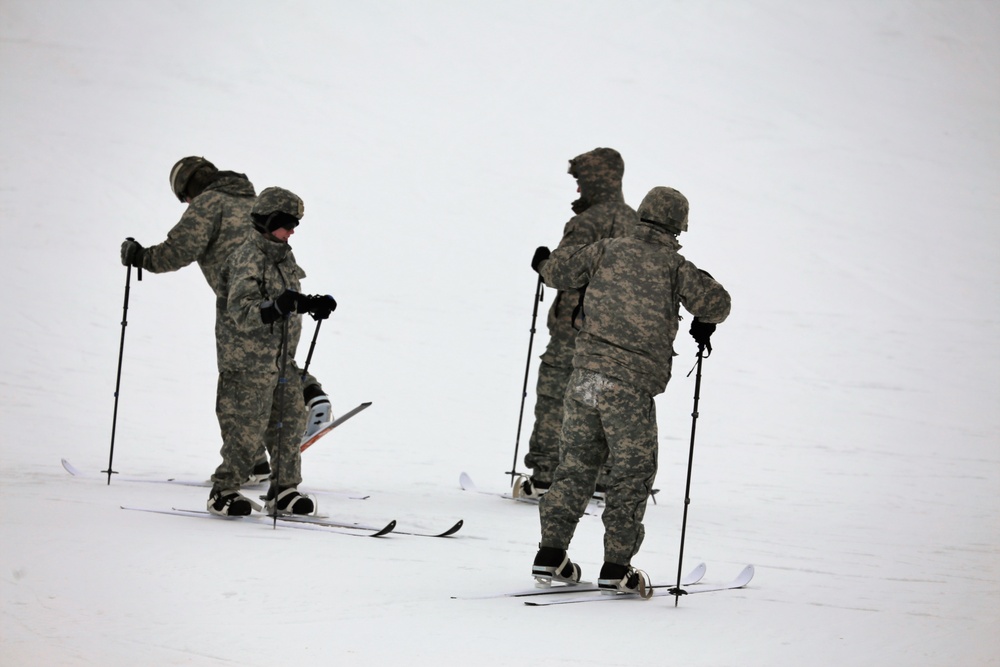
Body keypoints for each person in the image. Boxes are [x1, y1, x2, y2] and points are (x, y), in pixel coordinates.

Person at [528, 186, 731, 595]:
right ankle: (617, 566)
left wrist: (545, 262)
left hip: (584, 379)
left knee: (574, 467)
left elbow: (558, 274)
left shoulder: (605, 249)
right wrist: (703, 321)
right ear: (679, 224)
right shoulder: (676, 267)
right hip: (630, 388)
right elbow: (718, 303)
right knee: (630, 475)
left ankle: (551, 555)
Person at [119, 157, 334, 483]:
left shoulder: (209, 203)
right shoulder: (253, 201)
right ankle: (295, 414)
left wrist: (139, 256)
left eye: (184, 197)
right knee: (276, 366)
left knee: (239, 386)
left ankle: (245, 466)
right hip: (286, 297)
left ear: (189, 188)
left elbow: (176, 252)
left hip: (243, 304)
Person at [517, 147, 639, 500]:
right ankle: (601, 479)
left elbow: (562, 273)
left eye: (582, 180)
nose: (578, 189)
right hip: (615, 335)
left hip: (575, 327)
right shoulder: (636, 223)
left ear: (597, 180)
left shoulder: (588, 222)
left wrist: (544, 264)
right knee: (599, 400)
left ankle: (544, 478)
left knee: (556, 394)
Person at [208, 186, 337, 516]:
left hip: (282, 361)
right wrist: (278, 305)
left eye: (296, 223)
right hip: (248, 362)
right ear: (267, 220)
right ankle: (224, 491)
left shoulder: (284, 255)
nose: (292, 230)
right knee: (246, 429)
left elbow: (287, 300)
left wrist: (310, 304)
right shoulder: (245, 258)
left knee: (289, 422)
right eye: (286, 222)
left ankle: (284, 489)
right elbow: (242, 311)